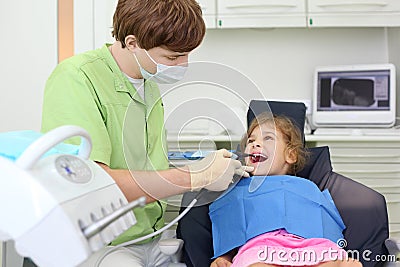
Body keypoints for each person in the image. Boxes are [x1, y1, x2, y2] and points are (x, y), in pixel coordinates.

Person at [39, 0, 252, 266]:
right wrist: (195, 176)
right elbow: (92, 185)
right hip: (102, 243)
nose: (182, 65)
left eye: (187, 55)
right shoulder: (76, 78)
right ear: (132, 43)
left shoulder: (148, 82)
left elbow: (145, 166)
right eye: (173, 57)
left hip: (150, 237)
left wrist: (205, 171)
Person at [209, 112, 362, 267]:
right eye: (251, 141)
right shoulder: (239, 190)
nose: (255, 144)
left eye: (268, 138)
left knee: (332, 259)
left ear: (290, 155)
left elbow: (326, 223)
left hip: (310, 246)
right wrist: (225, 257)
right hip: (261, 248)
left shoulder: (307, 187)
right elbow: (230, 228)